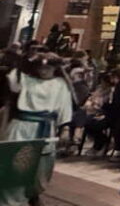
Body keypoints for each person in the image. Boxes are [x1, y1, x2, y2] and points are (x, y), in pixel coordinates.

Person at [0, 51, 73, 206]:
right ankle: (11, 201)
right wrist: (28, 58)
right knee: (18, 166)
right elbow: (13, 77)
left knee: (42, 169)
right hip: (22, 128)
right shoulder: (25, 80)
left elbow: (65, 107)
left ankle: (33, 193)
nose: (43, 70)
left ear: (55, 68)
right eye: (40, 67)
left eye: (48, 68)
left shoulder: (60, 84)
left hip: (45, 129)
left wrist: (65, 128)